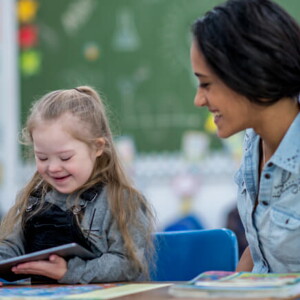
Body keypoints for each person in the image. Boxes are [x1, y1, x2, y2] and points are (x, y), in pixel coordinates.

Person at [0, 86, 155, 283]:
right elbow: (12, 248)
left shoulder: (121, 200)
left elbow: (128, 264)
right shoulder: (34, 198)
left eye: (65, 157)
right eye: (43, 157)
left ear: (97, 147)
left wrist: (69, 272)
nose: (53, 167)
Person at [190, 0, 300, 273]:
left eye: (206, 84)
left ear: (250, 73)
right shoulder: (255, 143)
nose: (198, 99)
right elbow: (266, 250)